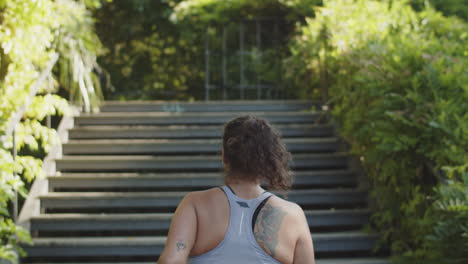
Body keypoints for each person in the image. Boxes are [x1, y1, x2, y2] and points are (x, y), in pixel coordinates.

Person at [158, 115, 315, 264]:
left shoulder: (195, 204)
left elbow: (171, 261)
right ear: (268, 158)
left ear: (224, 156)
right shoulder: (294, 214)